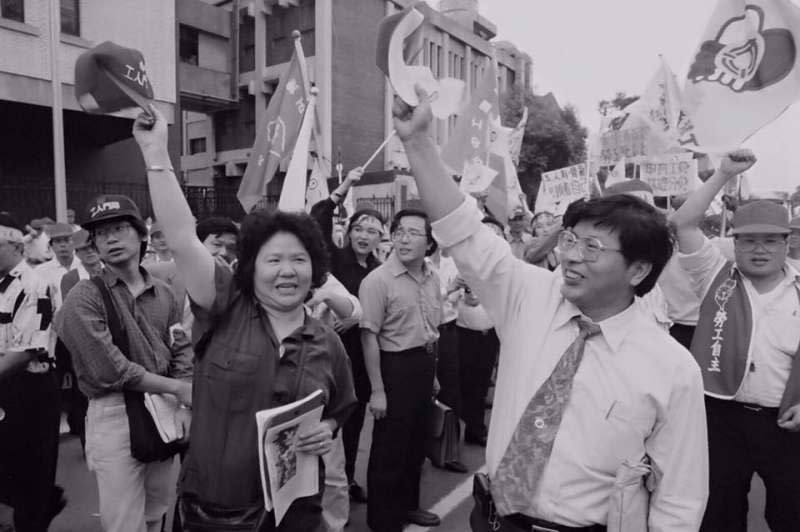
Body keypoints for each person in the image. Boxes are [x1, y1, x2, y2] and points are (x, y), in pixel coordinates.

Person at [393, 89, 708, 531]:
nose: (573, 256)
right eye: (571, 240)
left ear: (638, 269)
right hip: (492, 520)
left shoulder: (673, 369)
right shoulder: (531, 295)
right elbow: (464, 232)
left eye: (593, 247)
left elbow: (680, 498)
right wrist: (419, 143)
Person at [137, 106, 356, 531]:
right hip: (212, 513)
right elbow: (183, 238)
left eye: (299, 259)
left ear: (315, 270)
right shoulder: (224, 305)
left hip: (293, 513)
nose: (287, 271)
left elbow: (340, 408)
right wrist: (155, 154)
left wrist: (325, 428)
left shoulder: (328, 342)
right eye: (274, 259)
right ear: (251, 266)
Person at [671, 150, 800, 532]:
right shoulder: (714, 274)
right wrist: (723, 174)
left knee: (792, 514)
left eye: (769, 241)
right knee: (719, 514)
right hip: (720, 417)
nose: (759, 250)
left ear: (786, 243)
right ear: (734, 244)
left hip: (785, 420)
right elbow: (682, 223)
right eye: (748, 241)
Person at [53, 194, 194, 532]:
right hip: (114, 408)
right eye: (101, 234)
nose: (111, 239)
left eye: (119, 228)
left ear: (141, 234)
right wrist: (178, 387)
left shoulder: (164, 293)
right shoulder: (84, 297)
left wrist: (183, 402)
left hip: (164, 407)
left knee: (157, 506)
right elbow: (109, 369)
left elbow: (181, 348)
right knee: (124, 520)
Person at [360, 208, 443, 531]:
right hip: (394, 369)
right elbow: (369, 337)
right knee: (389, 449)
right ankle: (383, 520)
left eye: (413, 233)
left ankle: (409, 506)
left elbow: (427, 327)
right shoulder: (378, 281)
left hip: (424, 364)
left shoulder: (432, 276)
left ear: (430, 242)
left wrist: (432, 374)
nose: (404, 239)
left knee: (416, 444)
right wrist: (378, 390)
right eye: (398, 232)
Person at [310, 168, 384, 504]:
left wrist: (355, 319)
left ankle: (348, 478)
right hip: (329, 357)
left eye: (373, 231)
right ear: (349, 231)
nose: (365, 235)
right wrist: (347, 184)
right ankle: (316, 484)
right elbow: (319, 216)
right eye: (360, 228)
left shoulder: (380, 271)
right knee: (325, 424)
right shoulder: (334, 259)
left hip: (364, 356)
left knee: (352, 422)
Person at [0, 213, 64, 532]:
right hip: (3, 384)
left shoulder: (35, 285)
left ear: (14, 244)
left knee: (33, 473)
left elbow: (25, 351)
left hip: (30, 387)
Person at [457, 217, 503, 447]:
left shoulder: (503, 268)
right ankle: (455, 436)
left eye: (497, 234)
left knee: (482, 384)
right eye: (487, 233)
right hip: (464, 335)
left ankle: (475, 430)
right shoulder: (461, 263)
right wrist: (460, 292)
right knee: (464, 386)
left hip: (490, 334)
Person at [58, 229, 101, 448]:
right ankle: (89, 445)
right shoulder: (71, 278)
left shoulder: (112, 271)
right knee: (85, 397)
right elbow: (73, 315)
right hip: (85, 345)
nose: (89, 253)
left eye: (91, 247)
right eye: (82, 250)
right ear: (77, 253)